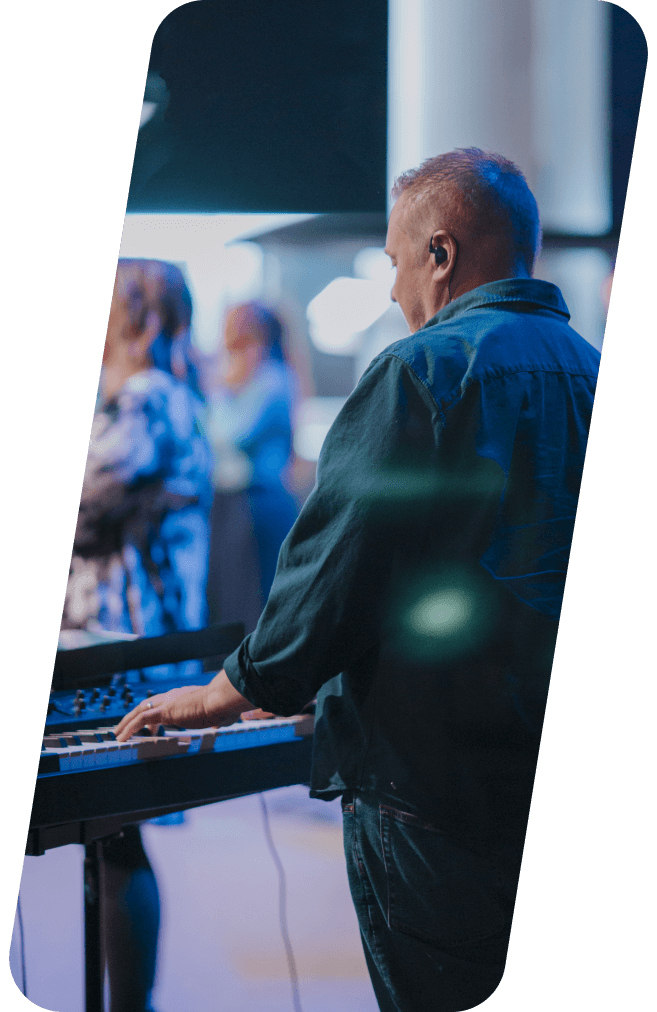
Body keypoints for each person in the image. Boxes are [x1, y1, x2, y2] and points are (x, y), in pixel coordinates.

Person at [115, 149, 601, 1012]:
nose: (390, 290)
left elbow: (340, 567)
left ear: (440, 254)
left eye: (393, 263)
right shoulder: (584, 368)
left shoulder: (419, 372)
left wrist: (231, 690)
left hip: (428, 787)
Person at [61, 257, 213, 1012]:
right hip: (123, 643)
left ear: (142, 319)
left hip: (121, 648)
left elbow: (87, 511)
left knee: (117, 839)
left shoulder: (149, 398)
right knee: (111, 841)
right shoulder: (160, 398)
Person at [205, 301, 299, 634]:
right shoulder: (245, 381)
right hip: (228, 504)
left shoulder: (275, 379)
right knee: (227, 599)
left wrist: (220, 388)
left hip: (258, 504)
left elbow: (231, 433)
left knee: (253, 601)